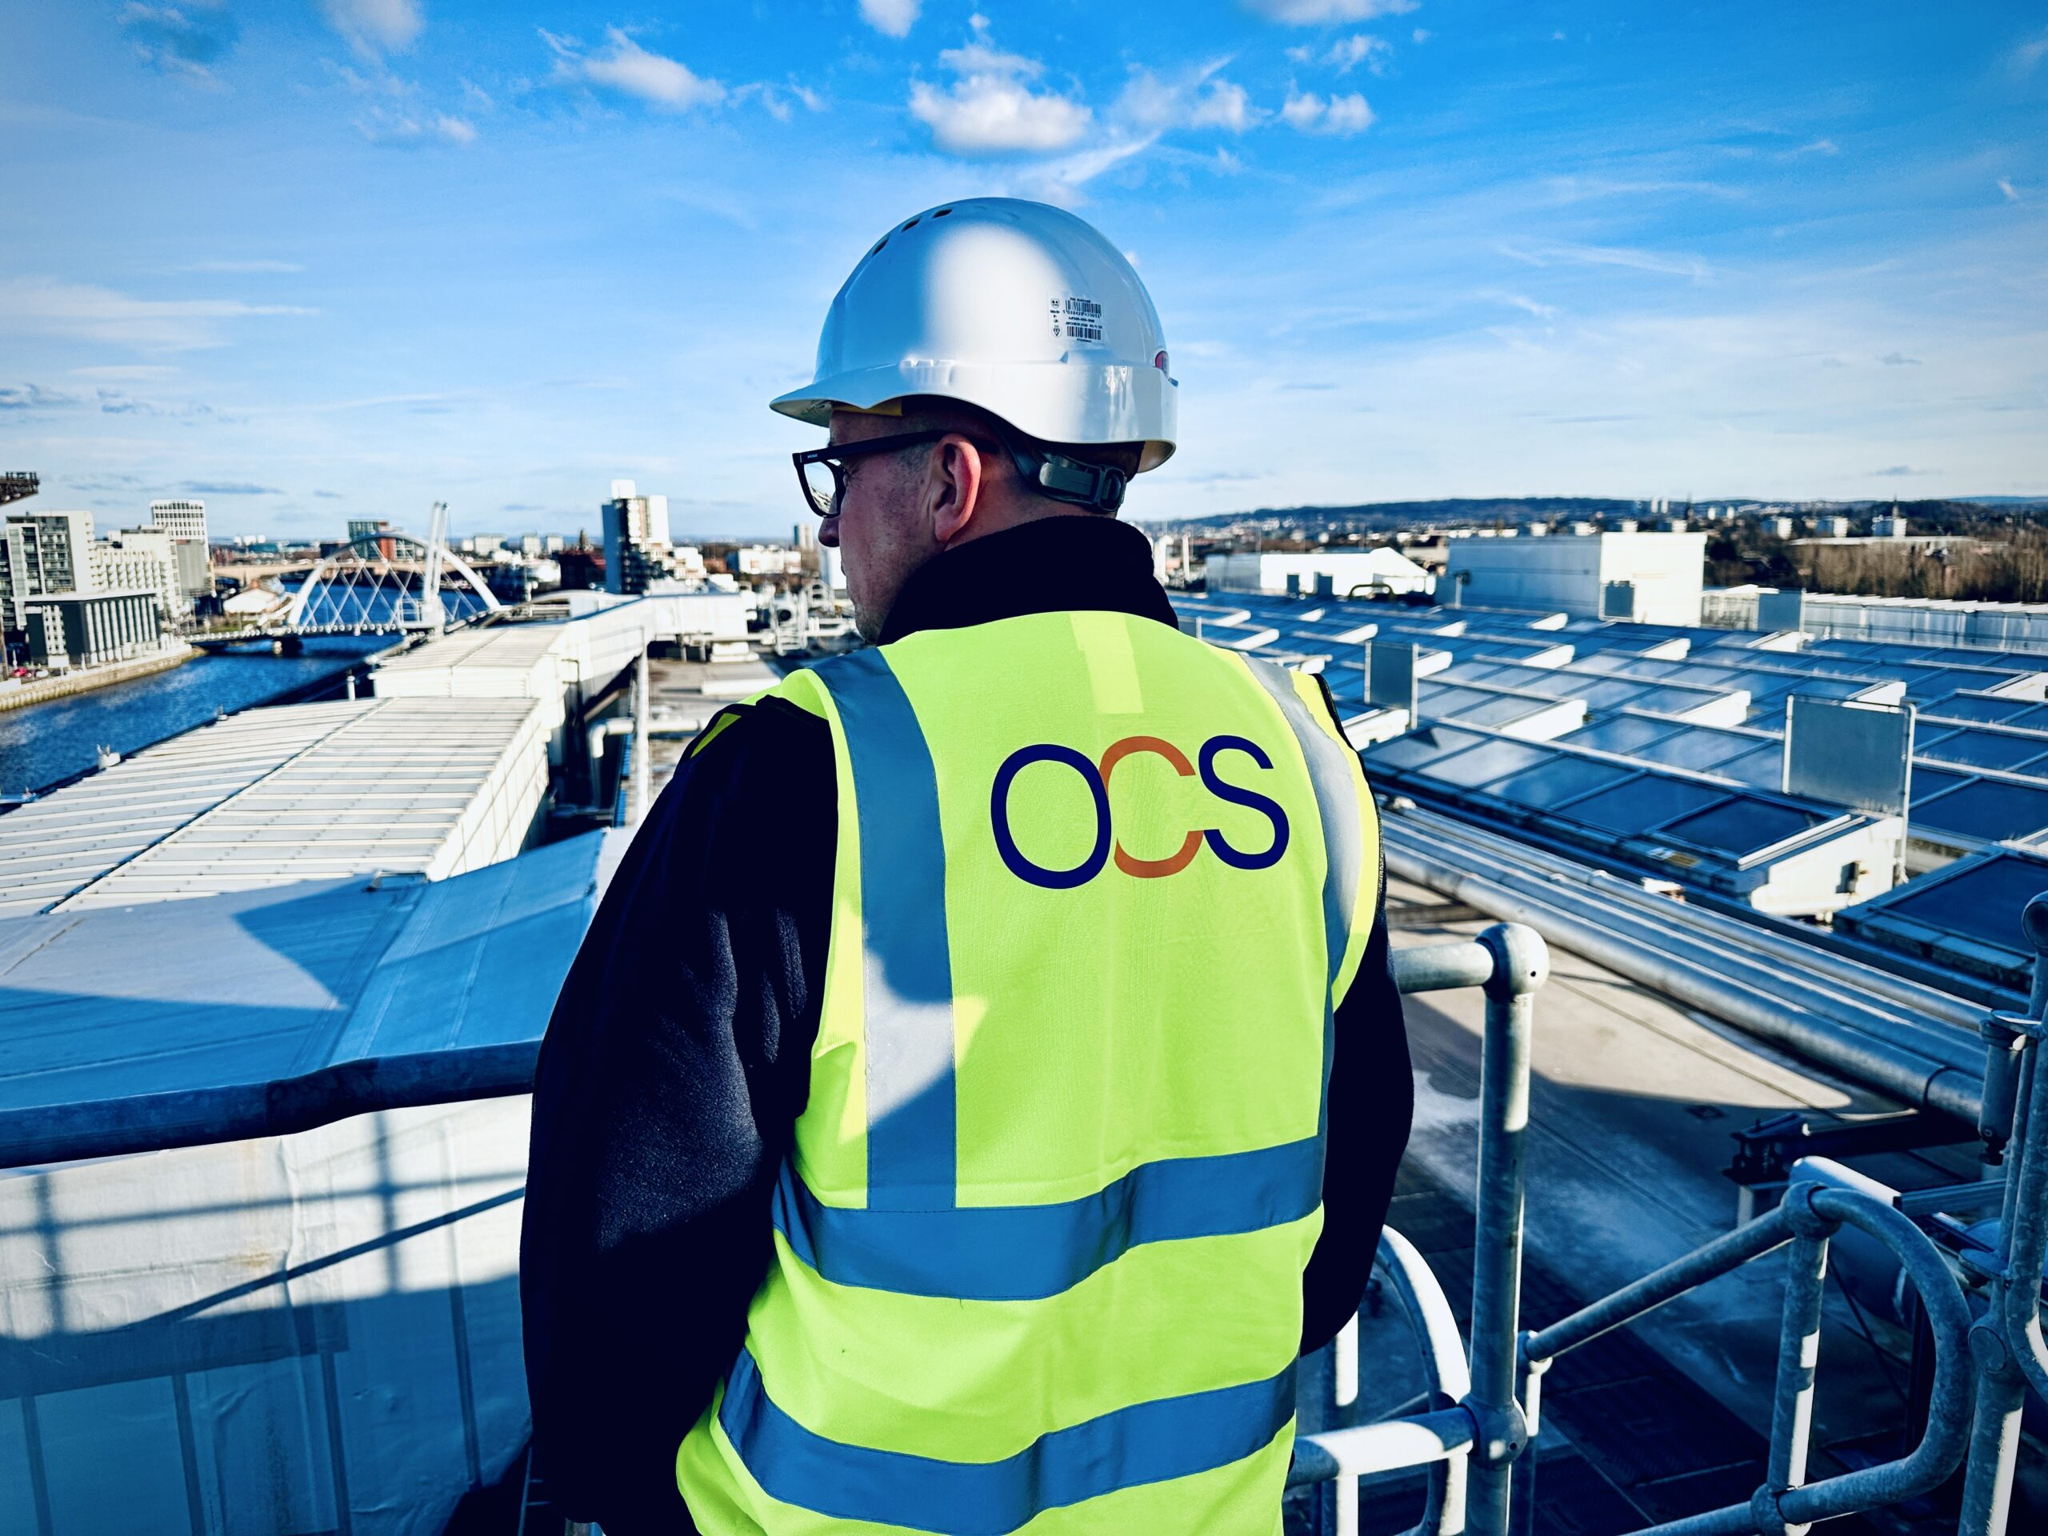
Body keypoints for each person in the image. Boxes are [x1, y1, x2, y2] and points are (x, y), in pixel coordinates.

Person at [521, 197, 1412, 1535]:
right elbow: (1341, 1224)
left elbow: (623, 1279)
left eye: (840, 471)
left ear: (948, 479)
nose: (826, 531)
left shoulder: (802, 771)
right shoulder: (1297, 750)